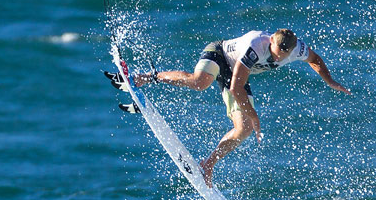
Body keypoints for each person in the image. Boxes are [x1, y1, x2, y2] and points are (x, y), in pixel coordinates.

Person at [136, 29, 350, 186]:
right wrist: (254, 115)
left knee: (244, 128)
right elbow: (236, 86)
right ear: (272, 42)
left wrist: (329, 80)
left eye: (281, 56)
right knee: (200, 82)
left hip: (237, 73)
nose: (277, 58)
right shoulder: (256, 46)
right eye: (275, 52)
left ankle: (208, 164)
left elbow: (315, 60)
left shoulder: (297, 49)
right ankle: (150, 77)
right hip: (219, 54)